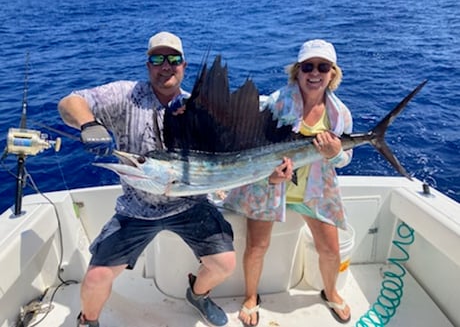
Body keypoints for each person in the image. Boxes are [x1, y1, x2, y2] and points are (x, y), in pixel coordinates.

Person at [58, 31, 236, 327]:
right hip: (136, 208)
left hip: (190, 204)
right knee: (95, 278)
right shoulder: (126, 96)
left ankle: (198, 294)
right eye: (157, 59)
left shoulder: (197, 109)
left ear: (183, 65)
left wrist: (273, 173)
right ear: (148, 64)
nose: (165, 66)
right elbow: (69, 103)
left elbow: (227, 155)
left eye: (173, 59)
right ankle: (87, 321)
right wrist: (88, 124)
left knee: (224, 263)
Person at [225, 39, 353, 326]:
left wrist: (334, 155)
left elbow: (346, 159)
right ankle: (250, 297)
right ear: (297, 71)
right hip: (271, 185)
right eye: (307, 66)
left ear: (333, 73)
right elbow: (242, 129)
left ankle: (330, 292)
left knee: (331, 250)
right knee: (257, 247)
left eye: (323, 67)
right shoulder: (275, 103)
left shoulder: (340, 114)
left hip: (316, 191)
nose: (315, 73)